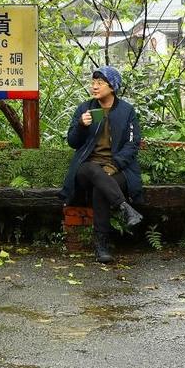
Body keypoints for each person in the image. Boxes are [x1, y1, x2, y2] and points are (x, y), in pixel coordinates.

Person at [58, 65, 144, 264]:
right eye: (93, 82)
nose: (94, 87)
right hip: (87, 169)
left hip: (117, 169)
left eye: (100, 83)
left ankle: (102, 245)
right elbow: (72, 142)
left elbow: (132, 145)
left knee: (101, 188)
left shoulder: (126, 111)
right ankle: (124, 207)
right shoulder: (85, 109)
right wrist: (81, 125)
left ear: (112, 86)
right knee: (91, 170)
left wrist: (114, 165)